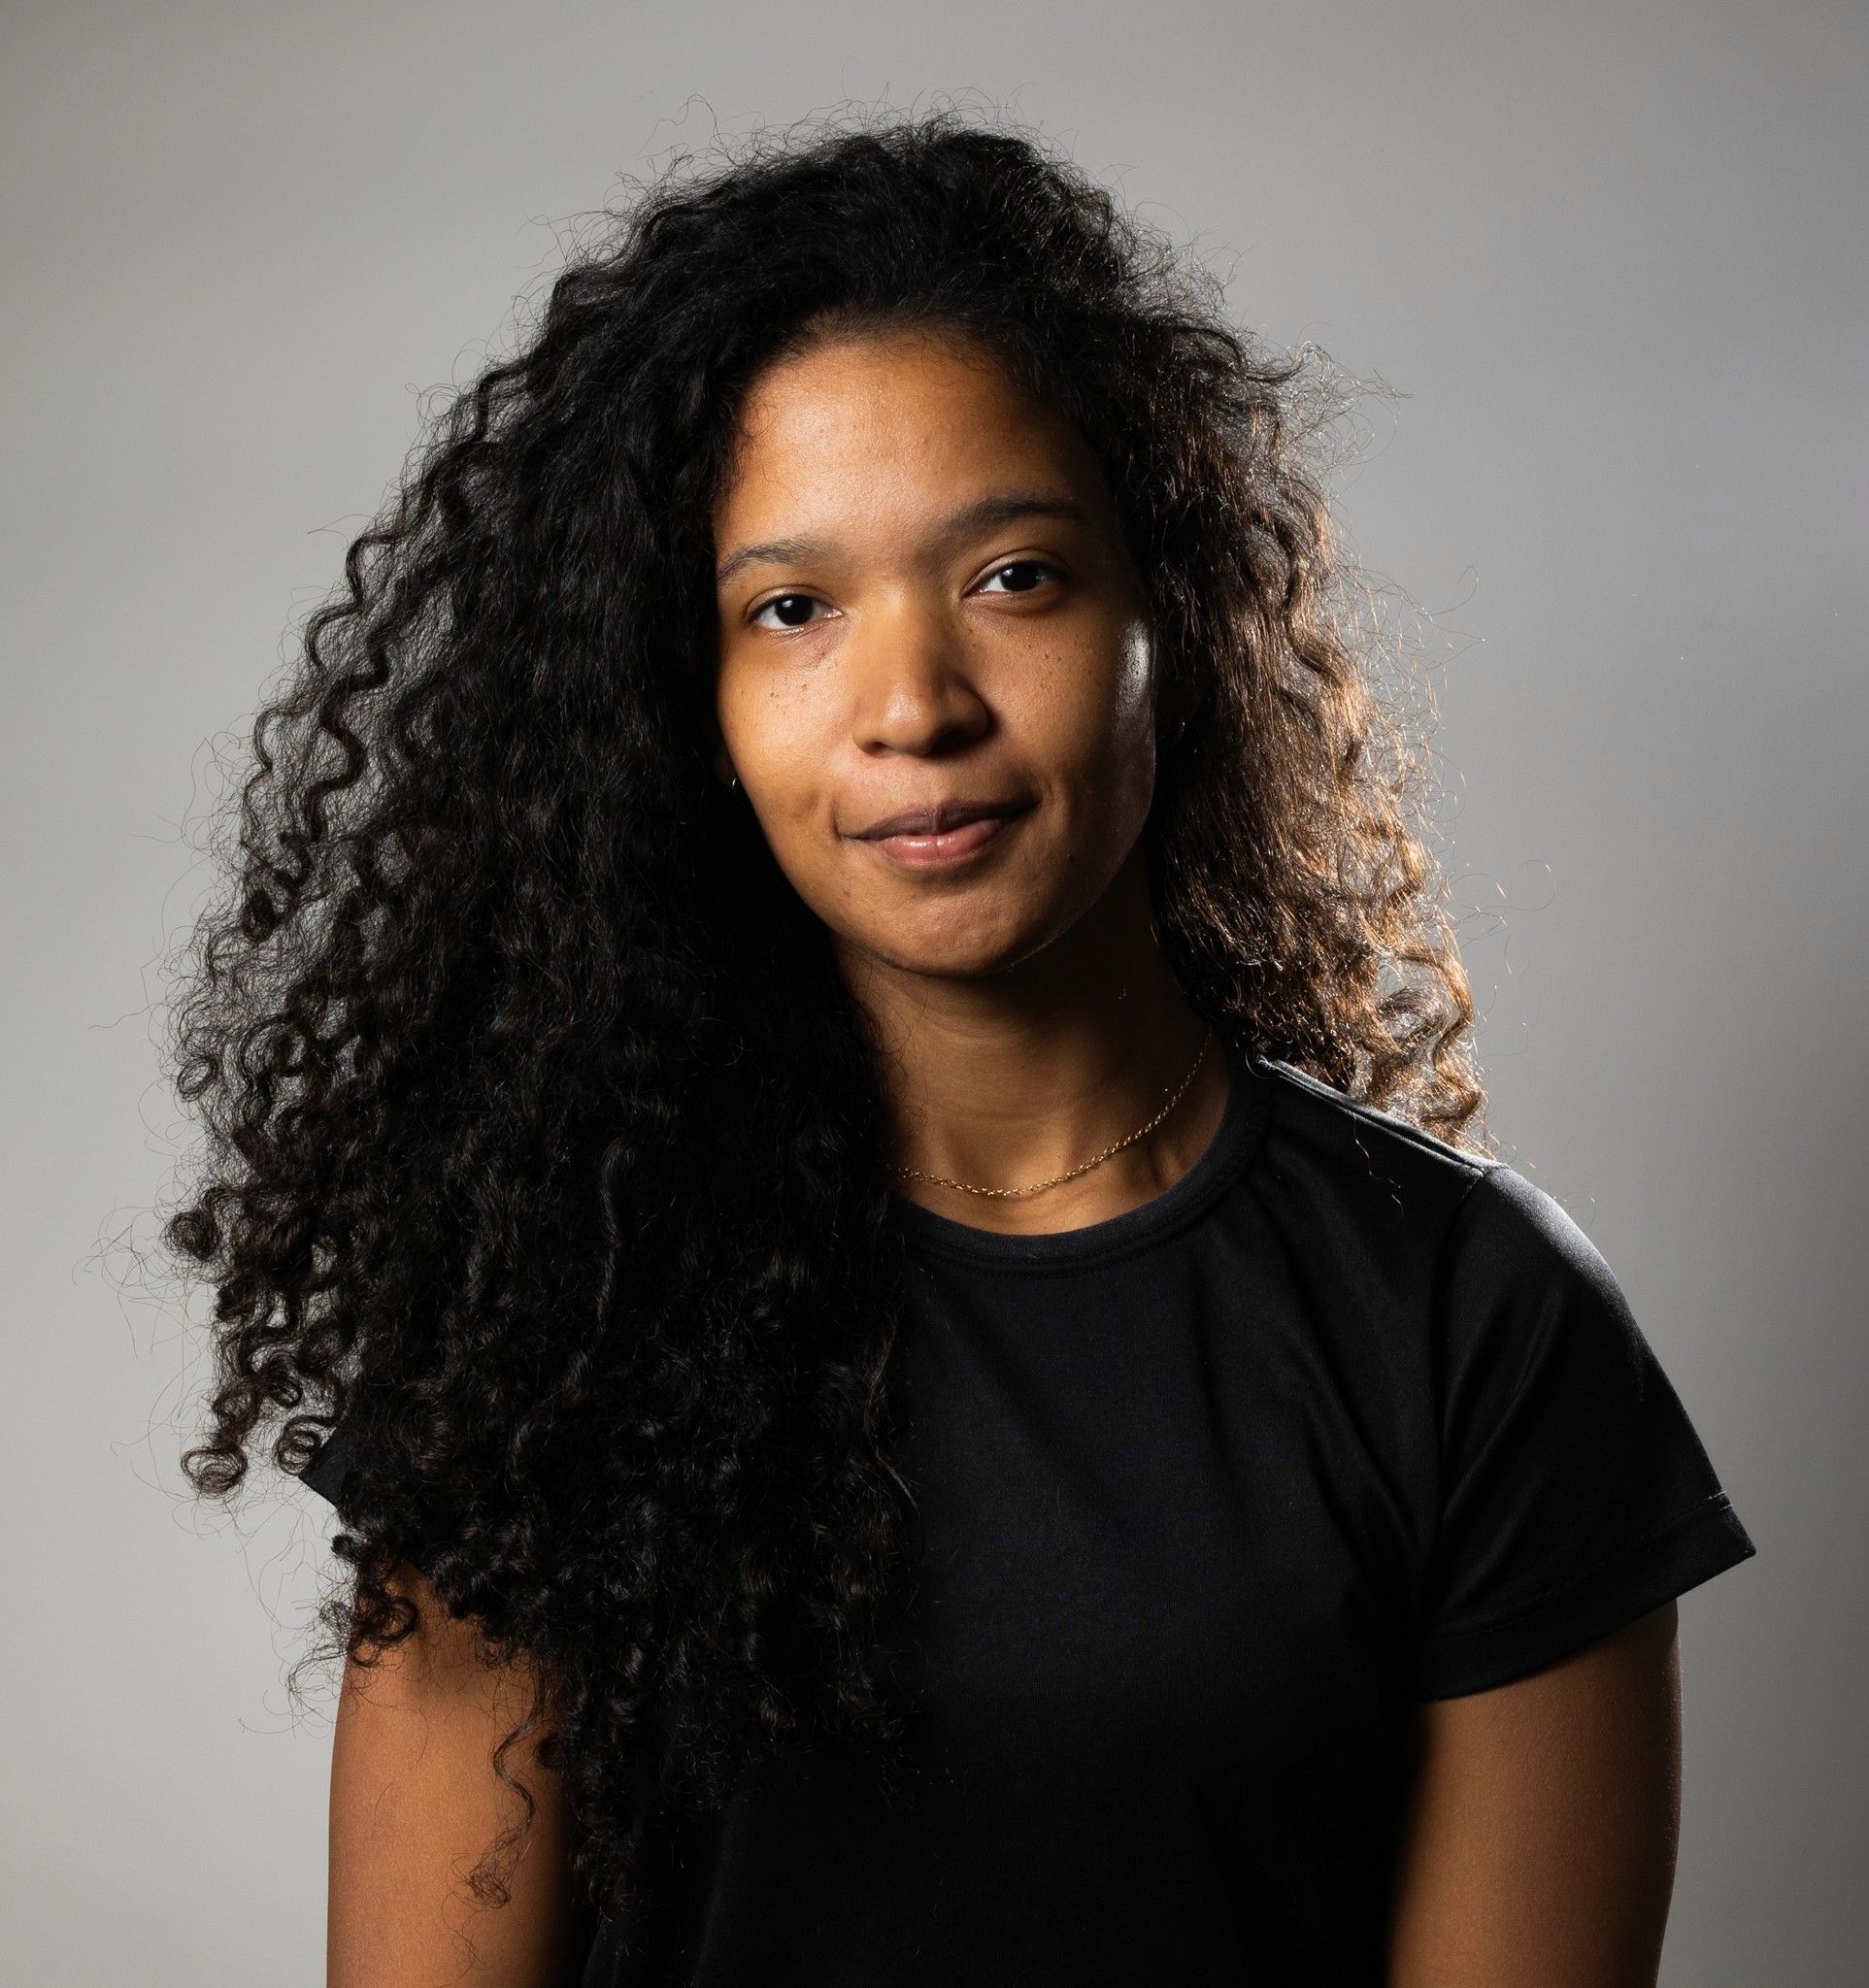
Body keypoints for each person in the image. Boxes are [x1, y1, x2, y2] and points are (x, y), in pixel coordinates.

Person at [169, 118, 1753, 1987]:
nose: (912, 705)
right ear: (683, 710)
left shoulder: (1467, 1324)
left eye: (1013, 577)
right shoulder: (550, 1307)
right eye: (790, 612)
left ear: (1168, 615)